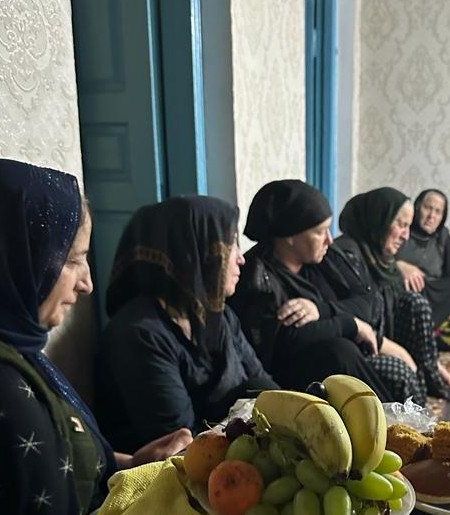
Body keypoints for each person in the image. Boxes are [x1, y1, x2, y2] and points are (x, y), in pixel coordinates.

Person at [0, 159, 191, 515]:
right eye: (73, 261)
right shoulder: (8, 387)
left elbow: (63, 455)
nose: (87, 284)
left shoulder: (24, 352)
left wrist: (129, 464)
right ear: (17, 256)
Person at [95, 197, 278, 455]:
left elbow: (262, 384)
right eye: (230, 245)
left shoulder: (218, 317)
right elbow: (180, 443)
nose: (241, 259)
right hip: (173, 467)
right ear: (195, 253)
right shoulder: (139, 334)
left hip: (223, 446)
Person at [228, 180, 421, 403]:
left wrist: (321, 310)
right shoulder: (257, 276)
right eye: (320, 232)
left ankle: (405, 419)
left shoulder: (323, 258)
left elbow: (368, 302)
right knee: (340, 352)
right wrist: (350, 324)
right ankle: (386, 421)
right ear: (290, 235)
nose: (329, 239)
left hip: (355, 353)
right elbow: (288, 338)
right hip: (289, 380)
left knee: (400, 369)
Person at [335, 187, 450, 398]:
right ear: (379, 219)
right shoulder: (346, 256)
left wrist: (431, 362)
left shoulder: (381, 257)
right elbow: (351, 322)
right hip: (358, 349)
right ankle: (414, 411)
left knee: (416, 303)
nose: (406, 236)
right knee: (401, 373)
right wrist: (400, 354)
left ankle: (429, 375)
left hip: (381, 338)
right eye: (401, 225)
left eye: (408, 226)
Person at [395, 189, 450, 352]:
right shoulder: (403, 229)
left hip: (431, 293)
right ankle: (421, 333)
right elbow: (381, 257)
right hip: (404, 288)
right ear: (417, 208)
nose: (431, 216)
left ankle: (427, 329)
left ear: (442, 217)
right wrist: (400, 265)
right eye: (427, 208)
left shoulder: (442, 236)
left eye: (438, 212)